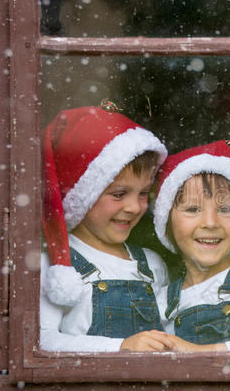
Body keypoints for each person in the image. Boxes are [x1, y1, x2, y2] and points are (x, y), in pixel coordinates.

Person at [40, 103, 174, 352]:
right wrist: (120, 348)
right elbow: (42, 343)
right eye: (119, 193)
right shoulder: (57, 267)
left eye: (143, 193)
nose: (134, 207)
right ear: (83, 195)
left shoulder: (152, 265)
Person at [152, 140, 230, 352]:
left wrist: (200, 353)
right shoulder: (161, 301)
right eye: (192, 209)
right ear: (166, 221)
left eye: (225, 209)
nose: (210, 222)